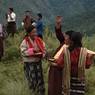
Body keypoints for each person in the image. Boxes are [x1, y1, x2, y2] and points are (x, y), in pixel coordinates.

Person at [48, 16, 74, 95]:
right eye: (65, 36)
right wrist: (58, 24)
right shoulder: (63, 42)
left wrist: (58, 63)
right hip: (54, 68)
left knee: (59, 87)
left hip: (61, 71)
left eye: (66, 36)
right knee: (52, 86)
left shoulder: (71, 48)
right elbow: (59, 34)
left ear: (71, 39)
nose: (65, 37)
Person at [20, 25, 46, 95]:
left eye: (35, 32)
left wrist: (43, 54)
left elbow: (44, 49)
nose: (35, 34)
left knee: (40, 79)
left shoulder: (39, 40)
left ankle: (41, 92)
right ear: (29, 33)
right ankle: (34, 92)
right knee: (32, 79)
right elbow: (23, 52)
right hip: (29, 63)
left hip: (38, 62)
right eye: (33, 32)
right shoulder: (25, 42)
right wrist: (33, 50)